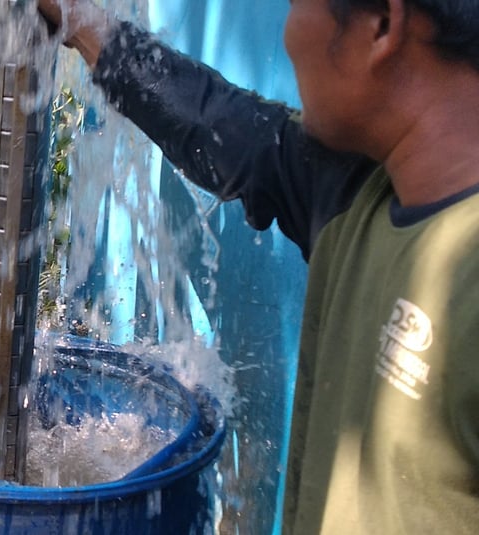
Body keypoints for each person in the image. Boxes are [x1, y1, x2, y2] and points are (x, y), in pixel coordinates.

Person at [36, 0, 479, 533]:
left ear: (381, 24)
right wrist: (81, 21)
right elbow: (224, 127)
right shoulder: (361, 194)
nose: (289, 35)